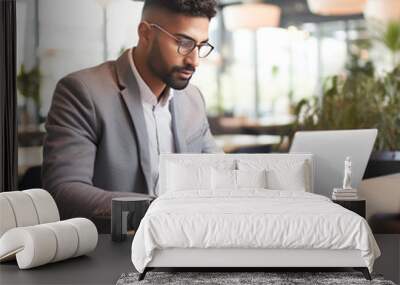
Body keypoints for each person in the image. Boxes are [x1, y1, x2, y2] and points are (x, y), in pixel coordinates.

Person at [42, 0, 221, 225]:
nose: (194, 60)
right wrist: (162, 211)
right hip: (113, 251)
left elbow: (220, 174)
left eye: (201, 45)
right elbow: (64, 191)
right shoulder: (83, 91)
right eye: (183, 43)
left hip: (188, 245)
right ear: (145, 33)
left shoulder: (193, 99)